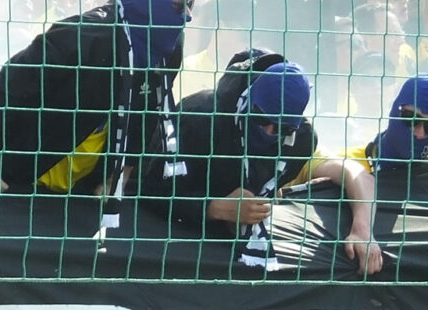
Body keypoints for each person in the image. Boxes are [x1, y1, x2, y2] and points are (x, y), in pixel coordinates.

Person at [141, 53, 383, 276]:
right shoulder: (199, 118)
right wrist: (215, 207)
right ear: (249, 101)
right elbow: (147, 188)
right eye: (261, 119)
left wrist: (363, 229)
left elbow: (355, 173)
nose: (269, 132)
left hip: (241, 253)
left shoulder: (300, 141)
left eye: (282, 128)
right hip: (175, 243)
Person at [0, 0, 189, 200]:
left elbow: (145, 116)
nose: (187, 16)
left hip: (74, 191)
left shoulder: (167, 50)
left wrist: (117, 178)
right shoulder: (86, 34)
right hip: (8, 173)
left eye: (190, 4)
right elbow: (11, 84)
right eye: (179, 5)